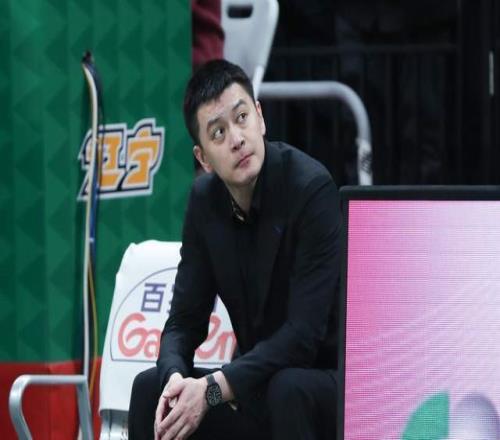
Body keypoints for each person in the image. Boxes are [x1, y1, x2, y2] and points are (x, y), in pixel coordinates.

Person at [128, 59, 341, 440]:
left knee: (287, 389)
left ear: (260, 117)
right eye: (219, 132)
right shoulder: (203, 201)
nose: (237, 139)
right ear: (203, 158)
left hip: (323, 384)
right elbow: (183, 322)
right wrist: (174, 377)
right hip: (254, 384)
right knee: (149, 390)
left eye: (242, 118)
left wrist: (212, 389)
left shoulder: (311, 188)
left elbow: (303, 337)